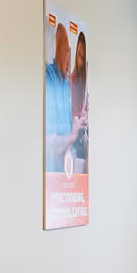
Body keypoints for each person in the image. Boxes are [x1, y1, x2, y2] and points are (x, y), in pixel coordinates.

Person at [44, 23, 81, 174]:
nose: (68, 60)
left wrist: (78, 122)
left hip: (68, 157)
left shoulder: (66, 83)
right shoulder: (49, 76)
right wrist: (72, 135)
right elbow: (50, 140)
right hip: (54, 160)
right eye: (66, 53)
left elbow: (68, 118)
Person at [69, 32, 89, 173]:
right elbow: (71, 110)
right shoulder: (73, 78)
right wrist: (78, 118)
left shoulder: (86, 79)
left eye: (83, 57)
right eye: (79, 56)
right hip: (75, 137)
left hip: (83, 136)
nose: (80, 61)